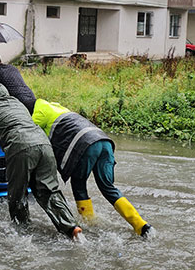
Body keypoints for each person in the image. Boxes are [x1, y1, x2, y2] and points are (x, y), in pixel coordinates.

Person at [0, 84, 82, 240]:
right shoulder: (18, 104)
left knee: (17, 193)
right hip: (44, 145)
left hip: (21, 149)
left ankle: (22, 233)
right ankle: (71, 228)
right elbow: (19, 125)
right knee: (49, 190)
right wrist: (4, 137)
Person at [31, 98, 152, 237]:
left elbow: (29, 133)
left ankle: (88, 224)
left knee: (78, 185)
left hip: (86, 145)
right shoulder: (59, 107)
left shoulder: (38, 110)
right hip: (104, 141)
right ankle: (141, 225)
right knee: (108, 187)